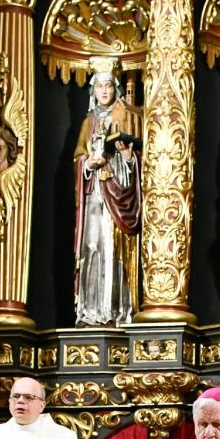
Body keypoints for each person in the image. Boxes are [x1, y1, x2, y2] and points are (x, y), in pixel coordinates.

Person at [73, 70, 142, 327]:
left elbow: (135, 159)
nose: (104, 91)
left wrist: (125, 157)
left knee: (113, 248)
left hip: (117, 194)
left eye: (108, 87)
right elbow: (78, 157)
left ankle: (116, 310)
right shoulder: (88, 122)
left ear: (116, 89)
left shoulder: (124, 116)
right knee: (92, 246)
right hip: (93, 195)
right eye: (99, 87)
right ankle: (90, 311)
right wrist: (88, 164)